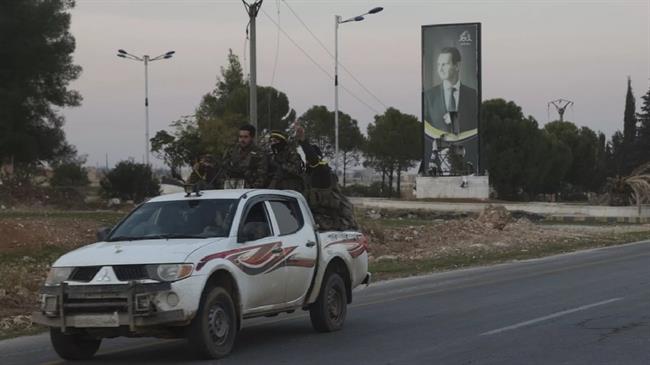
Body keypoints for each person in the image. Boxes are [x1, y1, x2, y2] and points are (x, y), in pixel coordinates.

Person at [422, 46, 479, 174]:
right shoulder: (428, 97)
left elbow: (475, 123)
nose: (440, 68)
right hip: (439, 157)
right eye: (438, 64)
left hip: (466, 153)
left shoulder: (472, 95)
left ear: (457, 66)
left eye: (445, 64)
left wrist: (455, 118)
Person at [295, 125, 357, 231]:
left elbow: (314, 159)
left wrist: (303, 141)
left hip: (328, 220)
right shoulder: (307, 174)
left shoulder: (322, 172)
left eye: (309, 158)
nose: (307, 161)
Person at [219, 124, 268, 189]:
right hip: (229, 188)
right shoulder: (231, 151)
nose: (242, 140)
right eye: (240, 137)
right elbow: (222, 171)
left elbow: (261, 176)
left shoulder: (259, 154)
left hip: (249, 190)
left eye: (245, 137)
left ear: (252, 137)